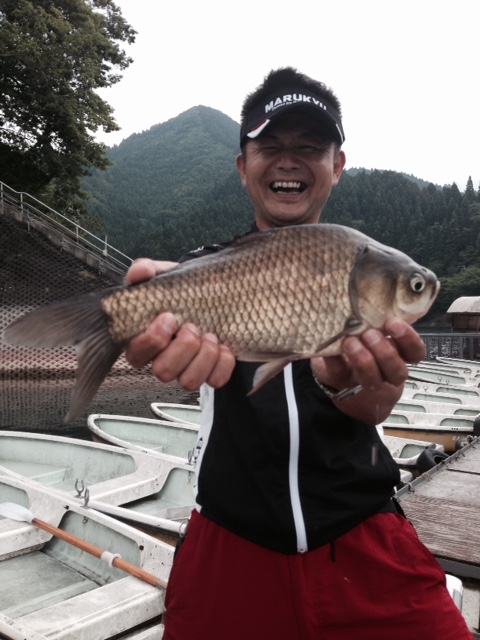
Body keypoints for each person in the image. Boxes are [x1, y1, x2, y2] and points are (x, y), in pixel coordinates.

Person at [125, 68, 473, 639]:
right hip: (228, 539)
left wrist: (359, 391)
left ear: (336, 166)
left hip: (361, 533)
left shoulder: (363, 265)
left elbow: (375, 407)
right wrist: (139, 323)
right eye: (270, 147)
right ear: (243, 167)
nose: (289, 161)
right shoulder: (203, 270)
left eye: (310, 148)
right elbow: (173, 355)